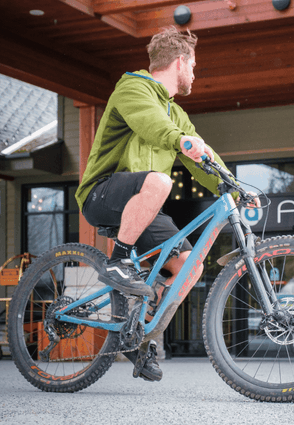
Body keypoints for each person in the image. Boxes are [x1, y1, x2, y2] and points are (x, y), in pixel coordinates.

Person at [75, 27, 246, 382]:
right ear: (180, 62)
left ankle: (141, 340)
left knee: (190, 265)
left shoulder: (176, 113)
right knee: (161, 180)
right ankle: (119, 259)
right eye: (194, 65)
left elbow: (203, 153)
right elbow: (151, 125)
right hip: (102, 193)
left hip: (144, 202)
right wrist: (179, 140)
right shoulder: (132, 88)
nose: (196, 74)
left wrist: (231, 184)